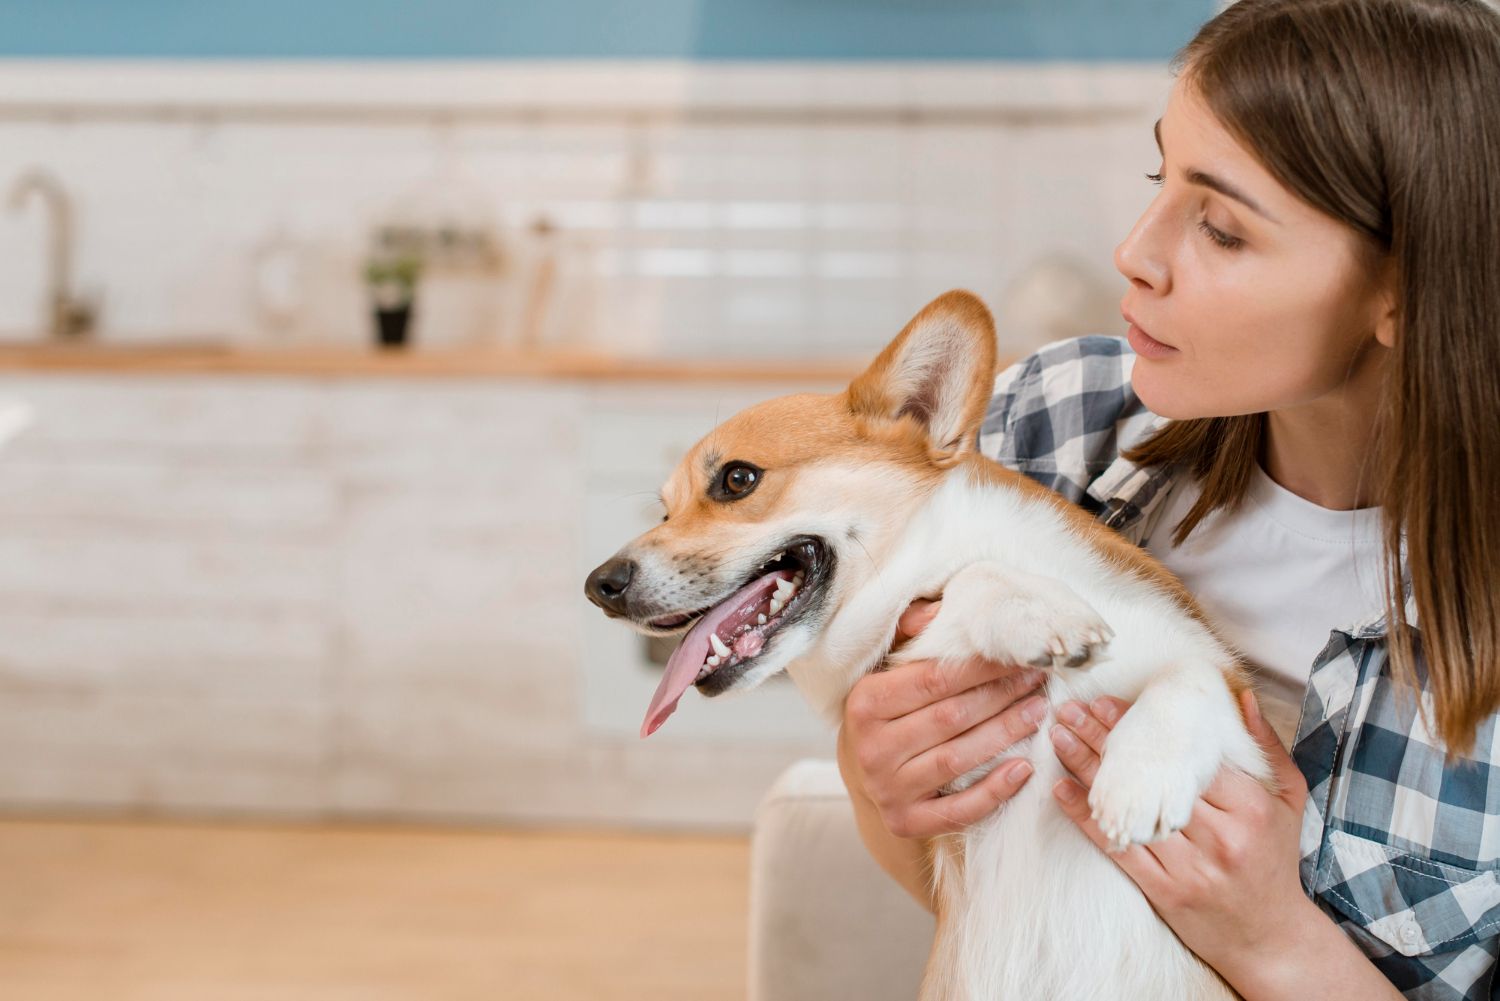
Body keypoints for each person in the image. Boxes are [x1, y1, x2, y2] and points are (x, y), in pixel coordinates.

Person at [834, 1, 1500, 998]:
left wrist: (1275, 939)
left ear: (1402, 292)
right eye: (1161, 178)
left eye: (1223, 229)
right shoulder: (1053, 431)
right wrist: (881, 777)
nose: (1137, 253)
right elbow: (976, 901)